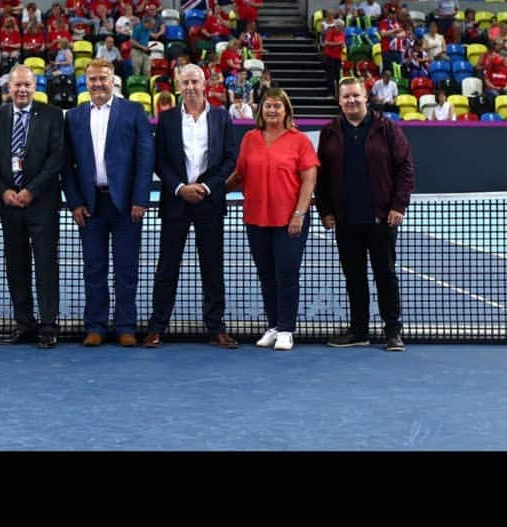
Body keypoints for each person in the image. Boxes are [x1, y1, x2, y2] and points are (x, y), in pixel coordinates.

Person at [143, 63, 240, 348]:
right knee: (167, 267)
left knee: (212, 267)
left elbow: (229, 160)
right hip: (176, 203)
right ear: (178, 86)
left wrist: (207, 187)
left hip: (209, 203)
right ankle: (156, 326)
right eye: (184, 82)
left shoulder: (222, 118)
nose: (190, 87)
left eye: (194, 82)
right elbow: (160, 161)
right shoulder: (168, 118)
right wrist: (180, 188)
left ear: (204, 84)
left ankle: (216, 328)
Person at [316, 78, 415, 351]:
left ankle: (393, 331)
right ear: (339, 101)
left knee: (385, 276)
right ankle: (359, 330)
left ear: (366, 98)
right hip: (346, 220)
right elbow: (320, 176)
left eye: (355, 96)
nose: (351, 101)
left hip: (381, 220)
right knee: (354, 278)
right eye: (346, 97)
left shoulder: (387, 128)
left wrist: (398, 206)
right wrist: (325, 210)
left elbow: (405, 169)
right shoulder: (330, 132)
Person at [62, 60, 153, 347]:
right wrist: (75, 202)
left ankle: (126, 325)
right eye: (92, 79)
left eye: (103, 78)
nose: (98, 84)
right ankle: (96, 326)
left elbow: (145, 157)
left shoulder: (133, 111)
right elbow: (66, 164)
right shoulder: (74, 117)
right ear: (85, 82)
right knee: (94, 268)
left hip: (126, 206)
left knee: (126, 269)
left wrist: (140, 198)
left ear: (113, 80)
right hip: (90, 206)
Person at [226, 88, 319, 352]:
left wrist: (299, 214)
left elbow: (309, 180)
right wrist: (211, 191)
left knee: (286, 274)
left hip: (290, 220)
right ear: (261, 110)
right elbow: (238, 175)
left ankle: (287, 329)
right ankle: (274, 325)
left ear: (286, 110)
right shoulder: (250, 139)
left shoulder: (300, 140)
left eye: (278, 106)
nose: (272, 110)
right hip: (256, 218)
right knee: (266, 275)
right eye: (268, 106)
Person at [0, 64, 65, 348]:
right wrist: (3, 191)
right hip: (10, 206)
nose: (21, 90)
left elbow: (57, 159)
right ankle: (24, 324)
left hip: (42, 204)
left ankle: (48, 325)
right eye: (17, 85)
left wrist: (31, 190)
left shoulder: (53, 115)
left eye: (27, 86)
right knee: (16, 265)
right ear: (8, 88)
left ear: (35, 88)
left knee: (45, 264)